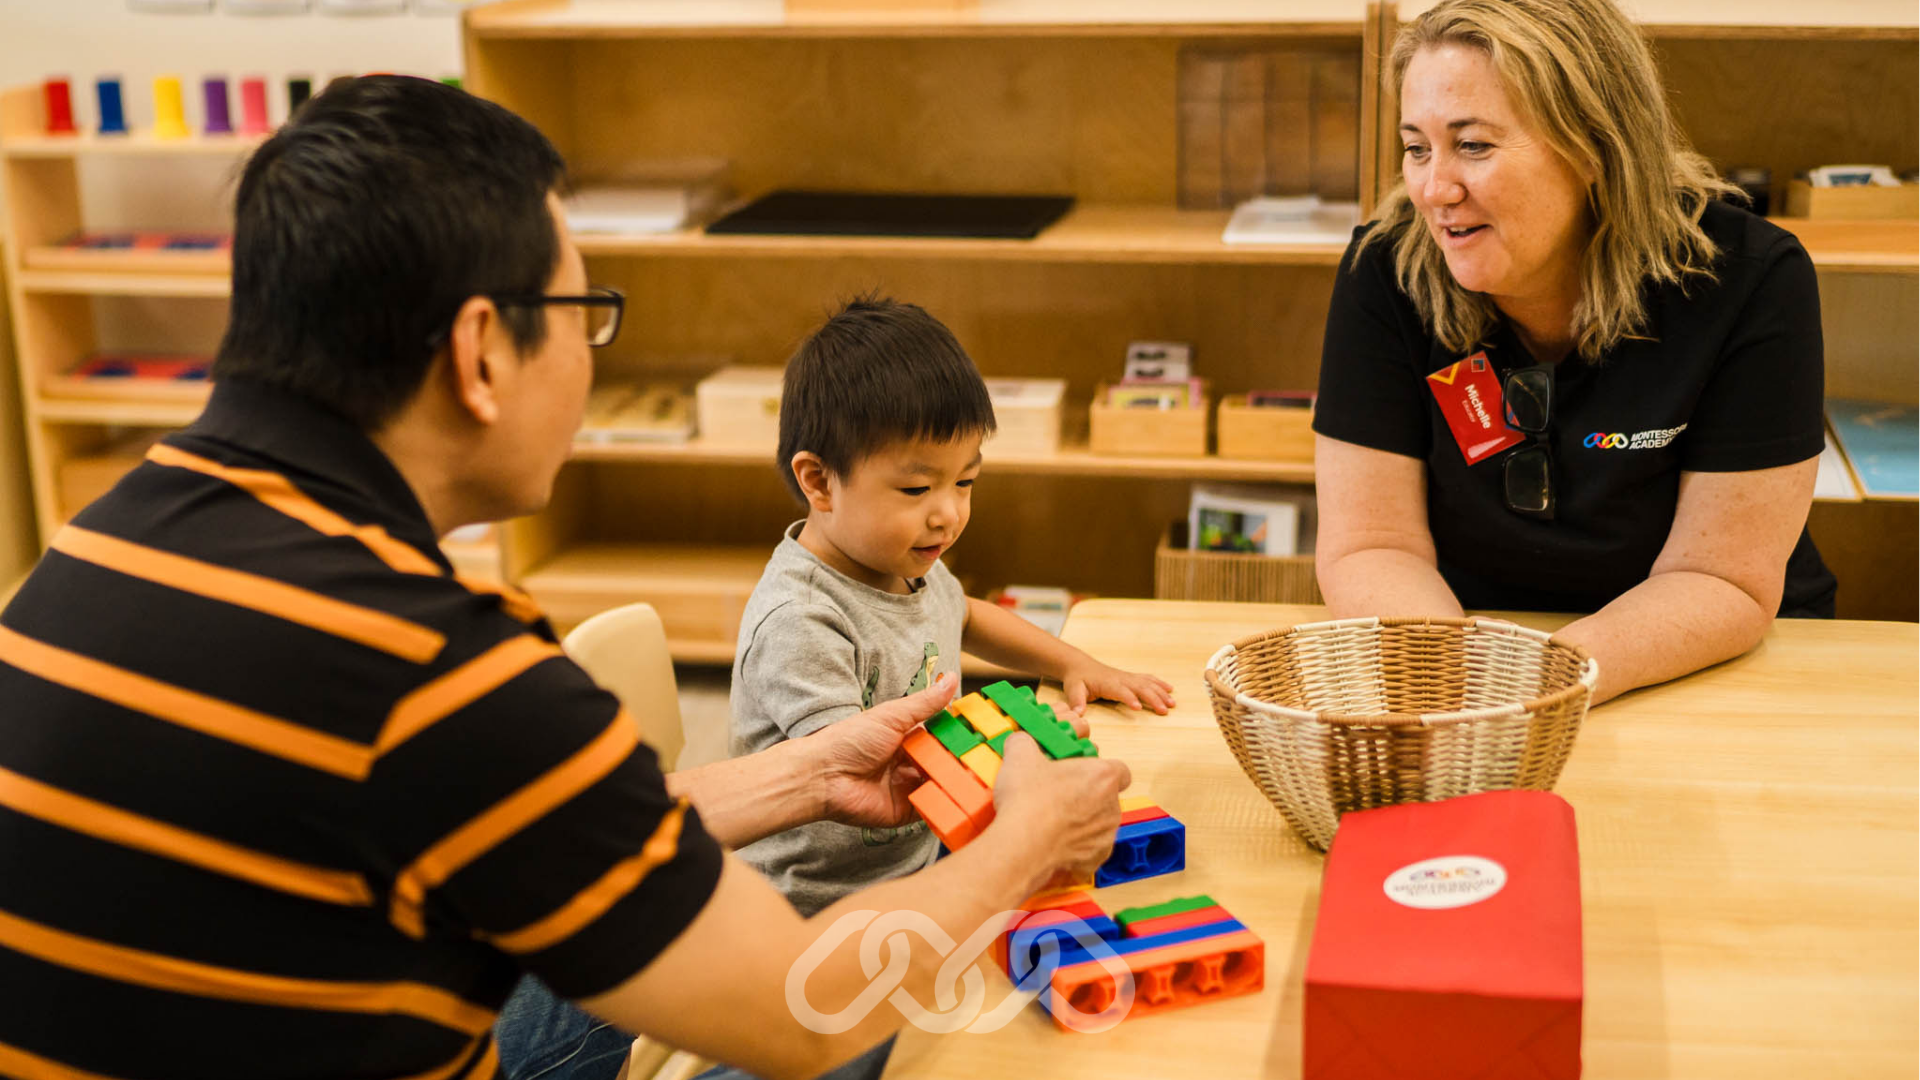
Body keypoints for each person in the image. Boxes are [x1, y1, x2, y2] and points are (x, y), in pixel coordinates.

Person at [0, 75, 1130, 1080]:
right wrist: (1026, 845)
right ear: (480, 351)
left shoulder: (86, 555)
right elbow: (796, 1013)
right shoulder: (443, 667)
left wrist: (799, 777)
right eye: (584, 317)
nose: (591, 364)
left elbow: (478, 820)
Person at [501, 297, 1177, 1080]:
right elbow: (868, 765)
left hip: (904, 875)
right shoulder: (803, 618)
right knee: (907, 1046)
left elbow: (967, 614)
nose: (948, 515)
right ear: (819, 482)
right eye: (917, 488)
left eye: (966, 482)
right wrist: (1009, 773)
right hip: (809, 908)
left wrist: (1070, 662)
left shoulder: (906, 562)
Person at [1312, 0, 1835, 705]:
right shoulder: (1386, 269)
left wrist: (1543, 685)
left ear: (1593, 145)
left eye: (1473, 146)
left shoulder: (1748, 278)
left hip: (1690, 661)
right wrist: (1451, 681)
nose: (1435, 189)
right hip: (1466, 646)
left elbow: (1722, 577)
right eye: (1417, 148)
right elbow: (1372, 546)